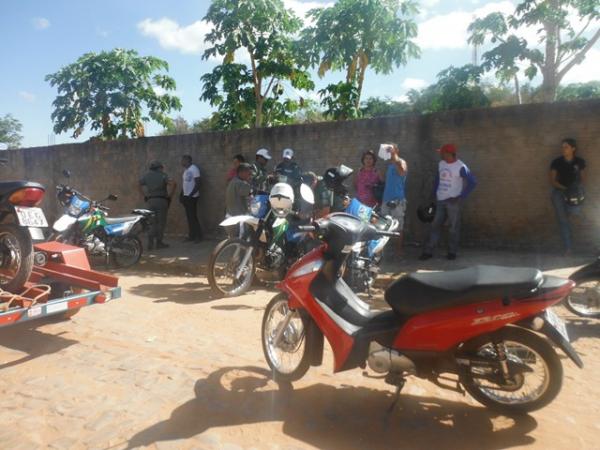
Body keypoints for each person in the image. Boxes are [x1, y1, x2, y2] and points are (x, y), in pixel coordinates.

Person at [420, 143, 477, 261]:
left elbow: (472, 182)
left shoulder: (461, 166)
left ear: (448, 154)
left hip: (453, 202)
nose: (441, 155)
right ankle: (428, 251)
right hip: (440, 200)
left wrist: (461, 197)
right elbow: (437, 180)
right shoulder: (441, 164)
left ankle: (452, 252)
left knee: (453, 228)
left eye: (442, 153)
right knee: (434, 226)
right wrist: (433, 195)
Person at [550, 138, 586, 254]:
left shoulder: (579, 161)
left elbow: (582, 179)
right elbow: (552, 181)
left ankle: (585, 246)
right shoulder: (556, 162)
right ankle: (568, 249)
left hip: (575, 194)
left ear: (573, 149)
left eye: (566, 147)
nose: (563, 149)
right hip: (560, 193)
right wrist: (566, 189)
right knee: (563, 221)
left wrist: (576, 189)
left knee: (576, 216)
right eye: (562, 147)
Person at [139, 161, 176, 250]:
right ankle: (159, 243)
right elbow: (174, 184)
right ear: (159, 168)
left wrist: (144, 195)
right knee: (161, 223)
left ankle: (150, 244)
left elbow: (138, 184)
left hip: (150, 201)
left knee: (152, 222)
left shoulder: (146, 176)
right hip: (161, 200)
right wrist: (170, 196)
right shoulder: (163, 175)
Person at [379, 144, 407, 258]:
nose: (389, 151)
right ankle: (383, 252)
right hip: (386, 199)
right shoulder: (390, 165)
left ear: (396, 150)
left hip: (398, 200)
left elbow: (402, 172)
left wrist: (394, 156)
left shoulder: (401, 162)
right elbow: (389, 182)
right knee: (383, 226)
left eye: (391, 149)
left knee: (398, 227)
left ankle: (398, 251)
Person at [225, 163, 253, 237]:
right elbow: (251, 193)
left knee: (234, 241)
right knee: (241, 241)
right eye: (249, 173)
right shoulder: (241, 184)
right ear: (242, 172)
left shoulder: (233, 181)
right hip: (238, 218)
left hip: (230, 215)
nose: (250, 175)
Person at [180, 154, 203, 243]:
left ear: (188, 160)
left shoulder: (194, 169)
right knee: (189, 217)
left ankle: (199, 236)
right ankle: (191, 235)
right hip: (187, 196)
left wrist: (190, 195)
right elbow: (185, 184)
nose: (181, 162)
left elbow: (198, 183)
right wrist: (182, 194)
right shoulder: (186, 170)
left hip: (193, 197)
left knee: (193, 217)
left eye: (183, 160)